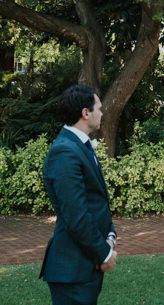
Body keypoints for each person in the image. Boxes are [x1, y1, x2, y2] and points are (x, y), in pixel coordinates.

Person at [40, 85, 118, 305]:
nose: (102, 113)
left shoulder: (78, 145)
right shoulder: (64, 151)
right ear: (85, 113)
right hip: (72, 268)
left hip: (84, 265)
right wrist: (104, 253)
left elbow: (96, 200)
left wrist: (110, 235)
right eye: (99, 109)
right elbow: (76, 214)